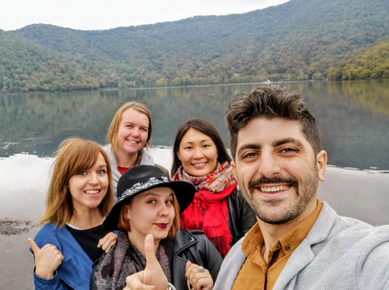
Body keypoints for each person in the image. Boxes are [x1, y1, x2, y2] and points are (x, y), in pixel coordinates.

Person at [122, 85, 389, 290]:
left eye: (287, 149)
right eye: (250, 154)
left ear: (320, 165)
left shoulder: (366, 257)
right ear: (237, 172)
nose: (268, 169)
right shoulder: (234, 264)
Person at [91, 165, 223, 290]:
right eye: (152, 201)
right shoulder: (103, 271)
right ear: (127, 212)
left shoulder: (200, 248)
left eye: (169, 201)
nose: (164, 211)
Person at [27, 138, 117, 290]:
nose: (94, 181)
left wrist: (126, 242)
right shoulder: (49, 242)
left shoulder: (124, 220)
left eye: (101, 171)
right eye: (82, 173)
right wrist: (44, 278)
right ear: (65, 181)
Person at [171, 118, 256, 256]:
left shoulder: (240, 192)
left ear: (217, 150)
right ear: (178, 154)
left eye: (205, 146)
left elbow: (252, 246)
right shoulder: (170, 195)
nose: (198, 155)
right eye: (189, 148)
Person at [105, 102, 168, 192]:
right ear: (115, 128)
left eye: (143, 129)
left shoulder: (160, 175)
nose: (136, 134)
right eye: (129, 126)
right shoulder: (95, 172)